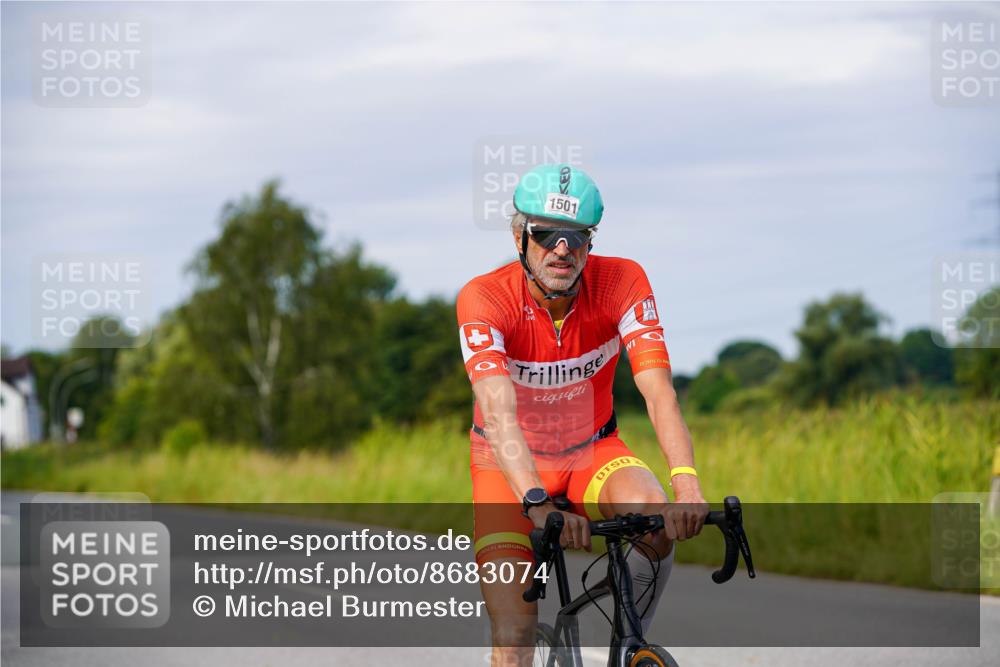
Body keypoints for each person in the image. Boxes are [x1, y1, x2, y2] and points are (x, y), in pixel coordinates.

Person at [456, 164, 709, 666]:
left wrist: (687, 487)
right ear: (518, 236)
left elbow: (659, 392)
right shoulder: (485, 298)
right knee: (513, 637)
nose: (562, 249)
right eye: (545, 234)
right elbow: (499, 414)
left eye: (576, 236)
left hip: (591, 452)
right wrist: (535, 501)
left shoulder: (622, 281)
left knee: (653, 514)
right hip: (506, 468)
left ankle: (626, 644)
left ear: (590, 241)